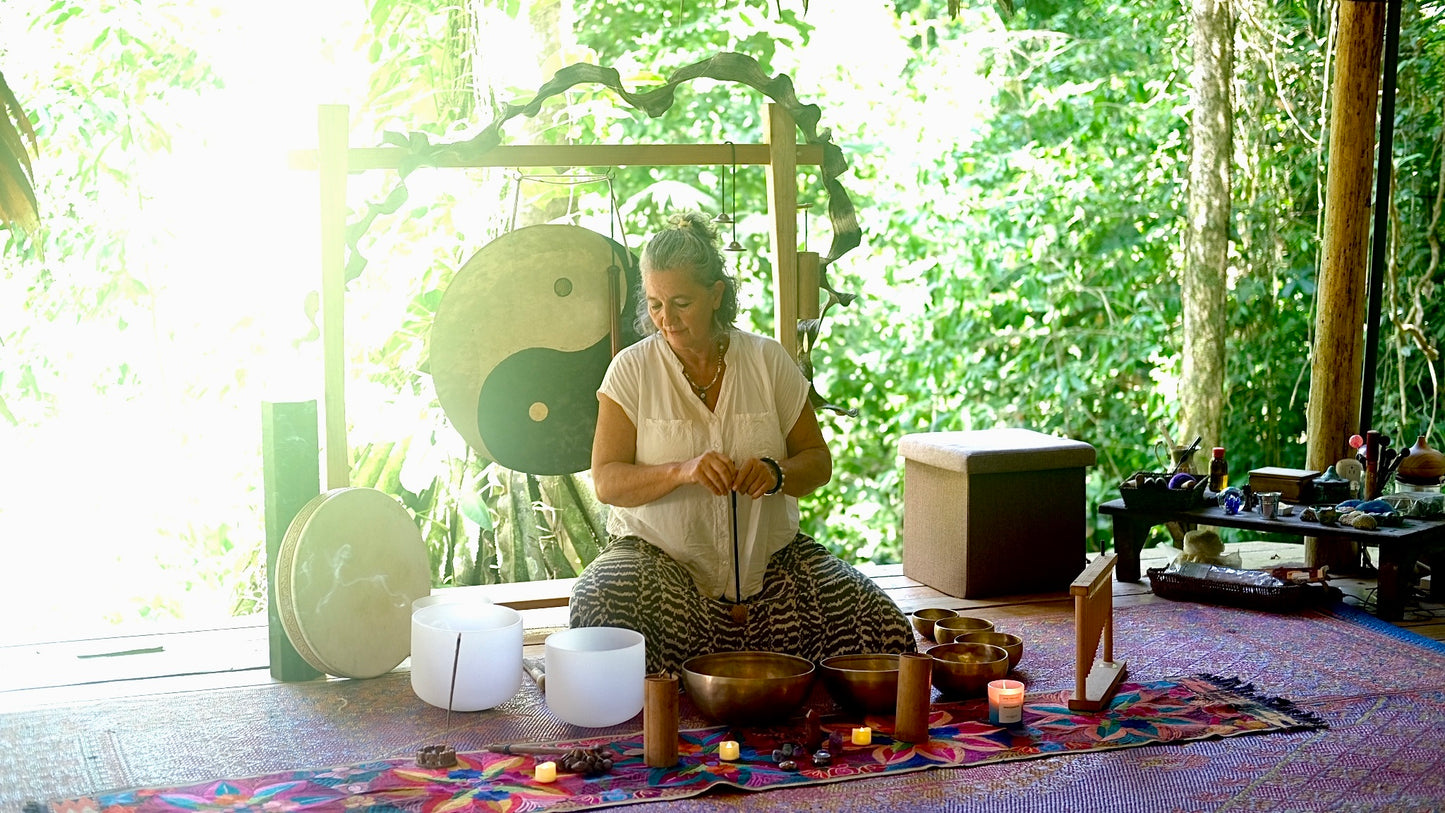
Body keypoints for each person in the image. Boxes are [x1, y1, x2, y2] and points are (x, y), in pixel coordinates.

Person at [570, 211, 914, 674]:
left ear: (716, 295)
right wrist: (681, 471)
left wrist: (776, 473)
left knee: (882, 626)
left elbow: (818, 462)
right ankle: (678, 700)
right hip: (660, 564)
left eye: (681, 302)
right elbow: (608, 483)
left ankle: (738, 679)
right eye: (654, 304)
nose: (666, 320)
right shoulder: (630, 371)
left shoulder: (768, 361)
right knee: (597, 607)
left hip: (772, 565)